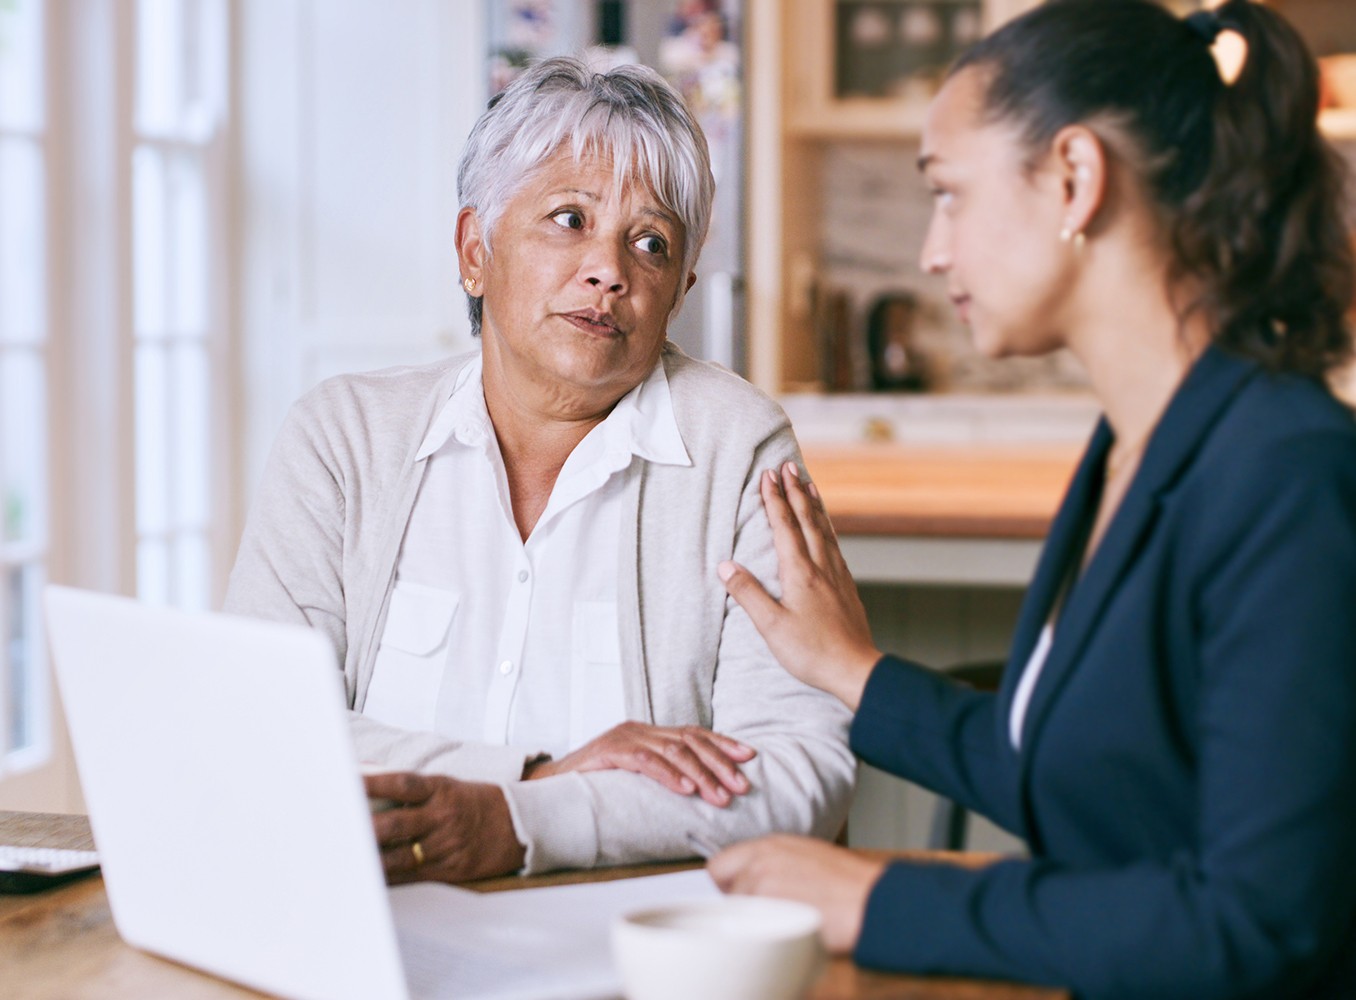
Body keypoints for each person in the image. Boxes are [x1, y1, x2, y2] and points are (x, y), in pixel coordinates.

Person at [709, 1, 1356, 997]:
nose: (931, 251)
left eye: (951, 195)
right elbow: (1083, 771)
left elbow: (1260, 923)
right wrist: (854, 672)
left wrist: (879, 897)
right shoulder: (1130, 448)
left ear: (1074, 177)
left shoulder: (1284, 472)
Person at [224, 57, 854, 883]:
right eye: (568, 219)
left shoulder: (740, 449)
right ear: (474, 251)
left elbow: (800, 774)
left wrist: (523, 825)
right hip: (369, 931)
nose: (609, 270)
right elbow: (258, 724)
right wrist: (530, 780)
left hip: (637, 950)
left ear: (679, 290)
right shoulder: (343, 437)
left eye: (651, 242)